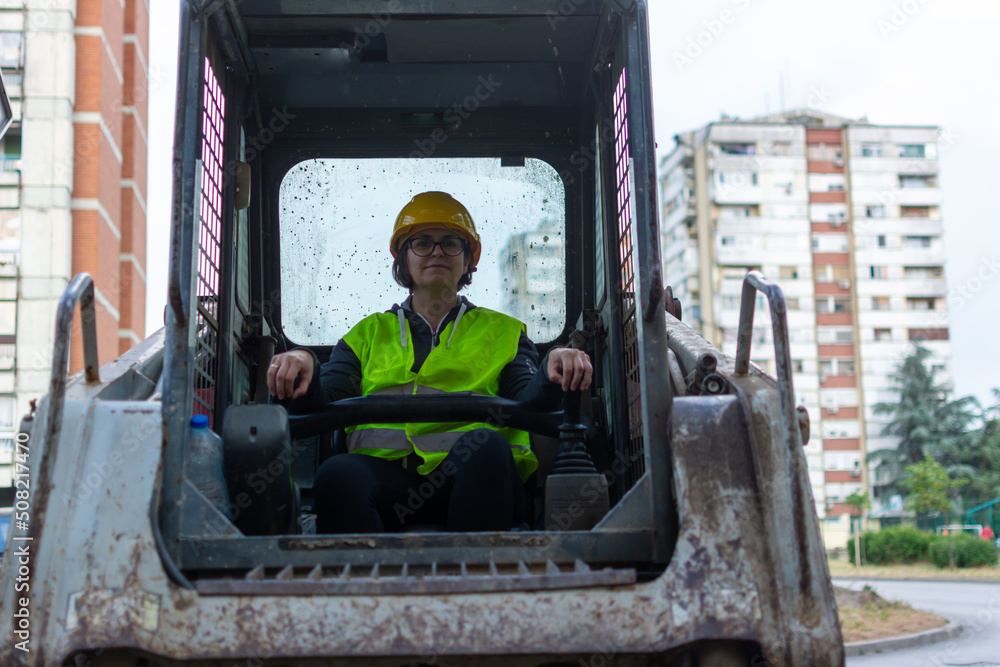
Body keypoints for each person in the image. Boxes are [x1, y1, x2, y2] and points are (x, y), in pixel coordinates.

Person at [267, 191, 592, 533]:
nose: (437, 251)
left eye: (451, 242)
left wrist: (552, 365)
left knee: (485, 447)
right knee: (337, 474)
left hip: (473, 481)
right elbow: (326, 398)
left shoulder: (504, 333)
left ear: (468, 260)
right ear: (402, 258)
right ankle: (365, 581)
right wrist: (303, 362)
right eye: (422, 243)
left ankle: (477, 576)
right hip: (386, 484)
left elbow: (529, 396)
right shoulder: (366, 335)